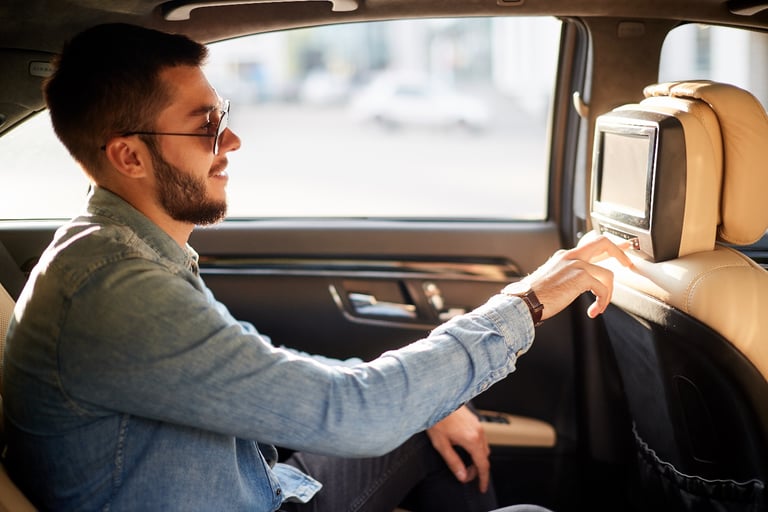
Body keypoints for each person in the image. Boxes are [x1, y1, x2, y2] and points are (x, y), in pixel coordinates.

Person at [1, 23, 632, 512]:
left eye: (224, 117)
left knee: (433, 423)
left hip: (263, 488)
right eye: (205, 127)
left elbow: (287, 384)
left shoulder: (125, 255)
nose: (233, 142)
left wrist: (430, 404)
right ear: (129, 156)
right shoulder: (115, 290)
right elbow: (352, 414)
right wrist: (528, 299)